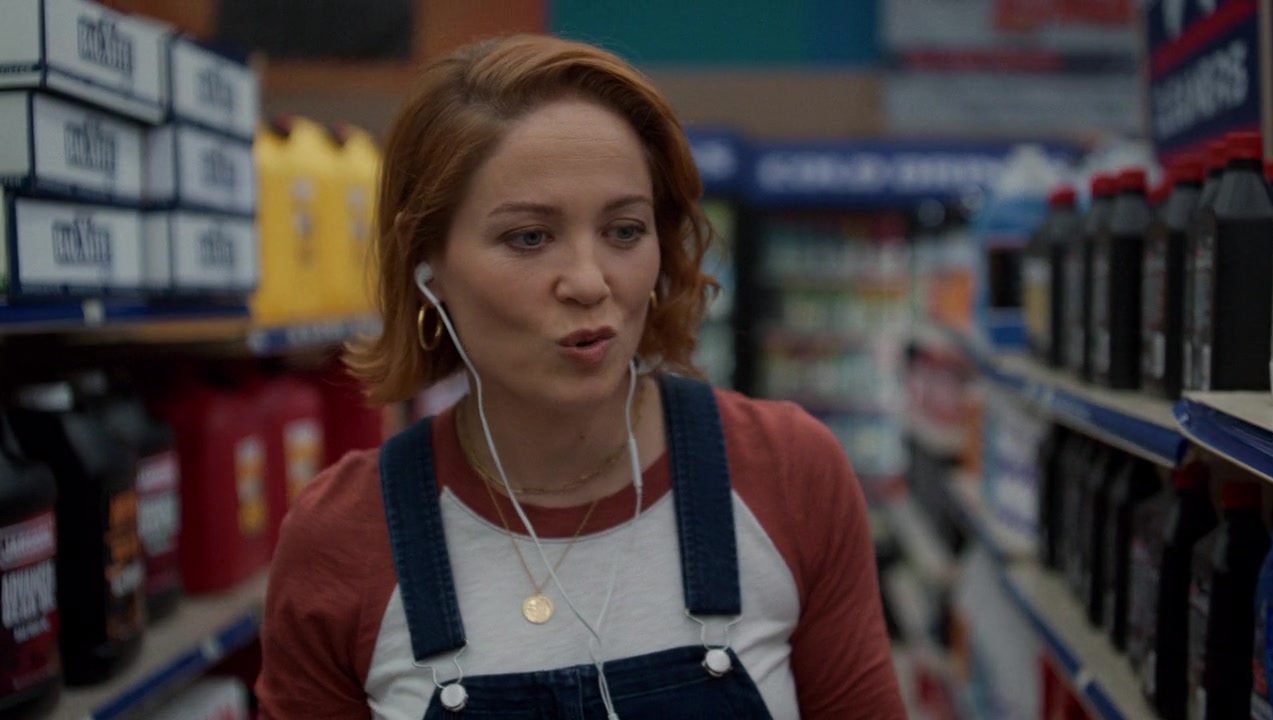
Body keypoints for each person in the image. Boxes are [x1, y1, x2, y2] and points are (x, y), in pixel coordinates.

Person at [255, 33, 906, 720]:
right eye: (529, 237)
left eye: (624, 231)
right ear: (428, 265)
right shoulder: (344, 539)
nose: (590, 282)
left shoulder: (788, 473)